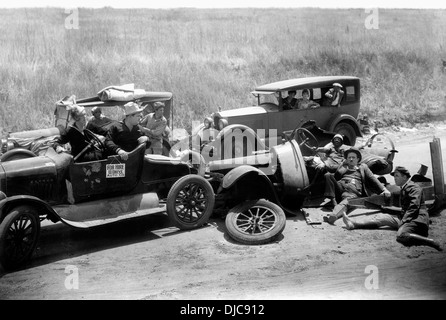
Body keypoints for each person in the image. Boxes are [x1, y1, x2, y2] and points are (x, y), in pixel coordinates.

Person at [342, 166, 442, 251]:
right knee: (383, 218)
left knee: (401, 235)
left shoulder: (414, 188)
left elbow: (414, 206)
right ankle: (354, 224)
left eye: (397, 176)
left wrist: (404, 220)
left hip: (417, 219)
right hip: (408, 217)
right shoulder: (404, 188)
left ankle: (431, 242)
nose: (395, 178)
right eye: (394, 176)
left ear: (404, 177)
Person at [323, 147, 391, 224]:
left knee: (346, 202)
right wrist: (341, 166)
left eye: (353, 157)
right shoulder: (344, 167)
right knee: (328, 175)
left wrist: (384, 189)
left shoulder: (363, 167)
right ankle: (333, 201)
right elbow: (336, 178)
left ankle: (333, 215)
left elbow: (372, 178)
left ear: (358, 159)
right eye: (349, 157)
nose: (351, 159)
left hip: (352, 191)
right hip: (340, 187)